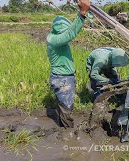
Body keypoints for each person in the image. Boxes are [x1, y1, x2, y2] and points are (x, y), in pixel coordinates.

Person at [47, 0, 90, 128]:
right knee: (67, 110)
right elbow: (70, 33)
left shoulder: (54, 37)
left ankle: (62, 128)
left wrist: (87, 11)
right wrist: (82, 13)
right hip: (63, 79)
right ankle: (68, 134)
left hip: (62, 77)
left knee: (63, 107)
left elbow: (69, 32)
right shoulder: (55, 40)